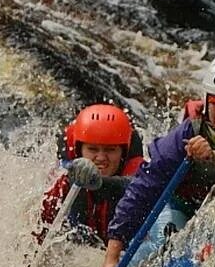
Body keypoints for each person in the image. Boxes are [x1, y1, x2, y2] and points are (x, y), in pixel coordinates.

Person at [97, 53, 215, 267]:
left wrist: (213, 157)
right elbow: (143, 189)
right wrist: (112, 258)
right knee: (166, 238)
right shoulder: (185, 136)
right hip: (180, 207)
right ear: (206, 102)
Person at [37, 103, 144, 248]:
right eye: (92, 149)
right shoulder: (63, 175)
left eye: (110, 150)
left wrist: (100, 182)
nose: (100, 158)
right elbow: (40, 225)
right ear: (79, 150)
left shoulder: (139, 171)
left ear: (123, 153)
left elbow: (138, 188)